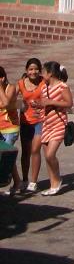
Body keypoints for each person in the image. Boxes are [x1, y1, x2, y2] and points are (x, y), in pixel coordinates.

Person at [30, 61, 72, 196]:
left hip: (59, 123)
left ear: (51, 73)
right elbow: (44, 103)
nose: (41, 74)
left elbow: (69, 103)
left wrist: (51, 102)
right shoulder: (44, 87)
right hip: (46, 122)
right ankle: (53, 184)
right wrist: (38, 105)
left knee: (50, 154)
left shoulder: (62, 87)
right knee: (47, 155)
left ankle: (58, 179)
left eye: (44, 72)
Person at [17, 57, 44, 192]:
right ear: (26, 70)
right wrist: (20, 105)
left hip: (40, 121)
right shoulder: (21, 83)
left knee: (35, 151)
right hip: (25, 121)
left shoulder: (44, 82)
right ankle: (25, 179)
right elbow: (11, 98)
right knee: (25, 152)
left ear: (40, 70)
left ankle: (33, 181)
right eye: (30, 69)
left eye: (36, 69)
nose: (33, 72)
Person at [0, 66, 21, 194]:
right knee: (6, 157)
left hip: (10, 128)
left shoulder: (10, 88)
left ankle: (8, 180)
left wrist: (0, 87)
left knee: (6, 156)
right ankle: (17, 181)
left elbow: (6, 103)